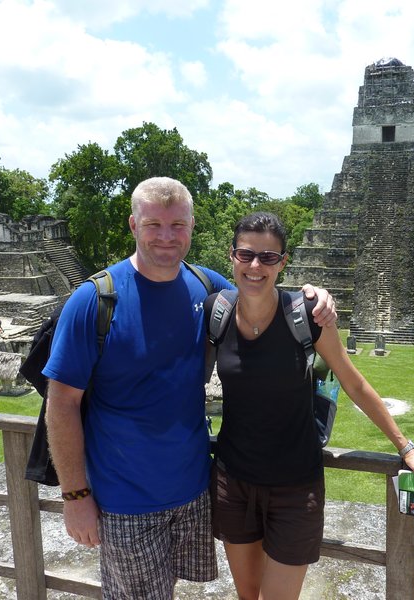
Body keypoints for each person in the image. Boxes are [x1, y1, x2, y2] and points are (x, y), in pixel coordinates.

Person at [42, 178, 336, 600]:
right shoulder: (94, 301)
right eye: (154, 224)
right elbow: (62, 403)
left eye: (177, 225)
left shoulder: (205, 285)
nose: (166, 236)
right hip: (125, 499)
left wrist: (314, 296)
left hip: (194, 490)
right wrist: (75, 495)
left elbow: (261, 291)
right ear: (133, 225)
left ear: (192, 227)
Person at [206, 212, 414, 600]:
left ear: (283, 262)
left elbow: (353, 382)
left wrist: (406, 447)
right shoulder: (215, 313)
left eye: (268, 257)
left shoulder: (306, 315)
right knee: (247, 595)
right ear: (233, 257)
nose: (256, 266)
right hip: (232, 483)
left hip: (294, 487)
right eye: (246, 254)